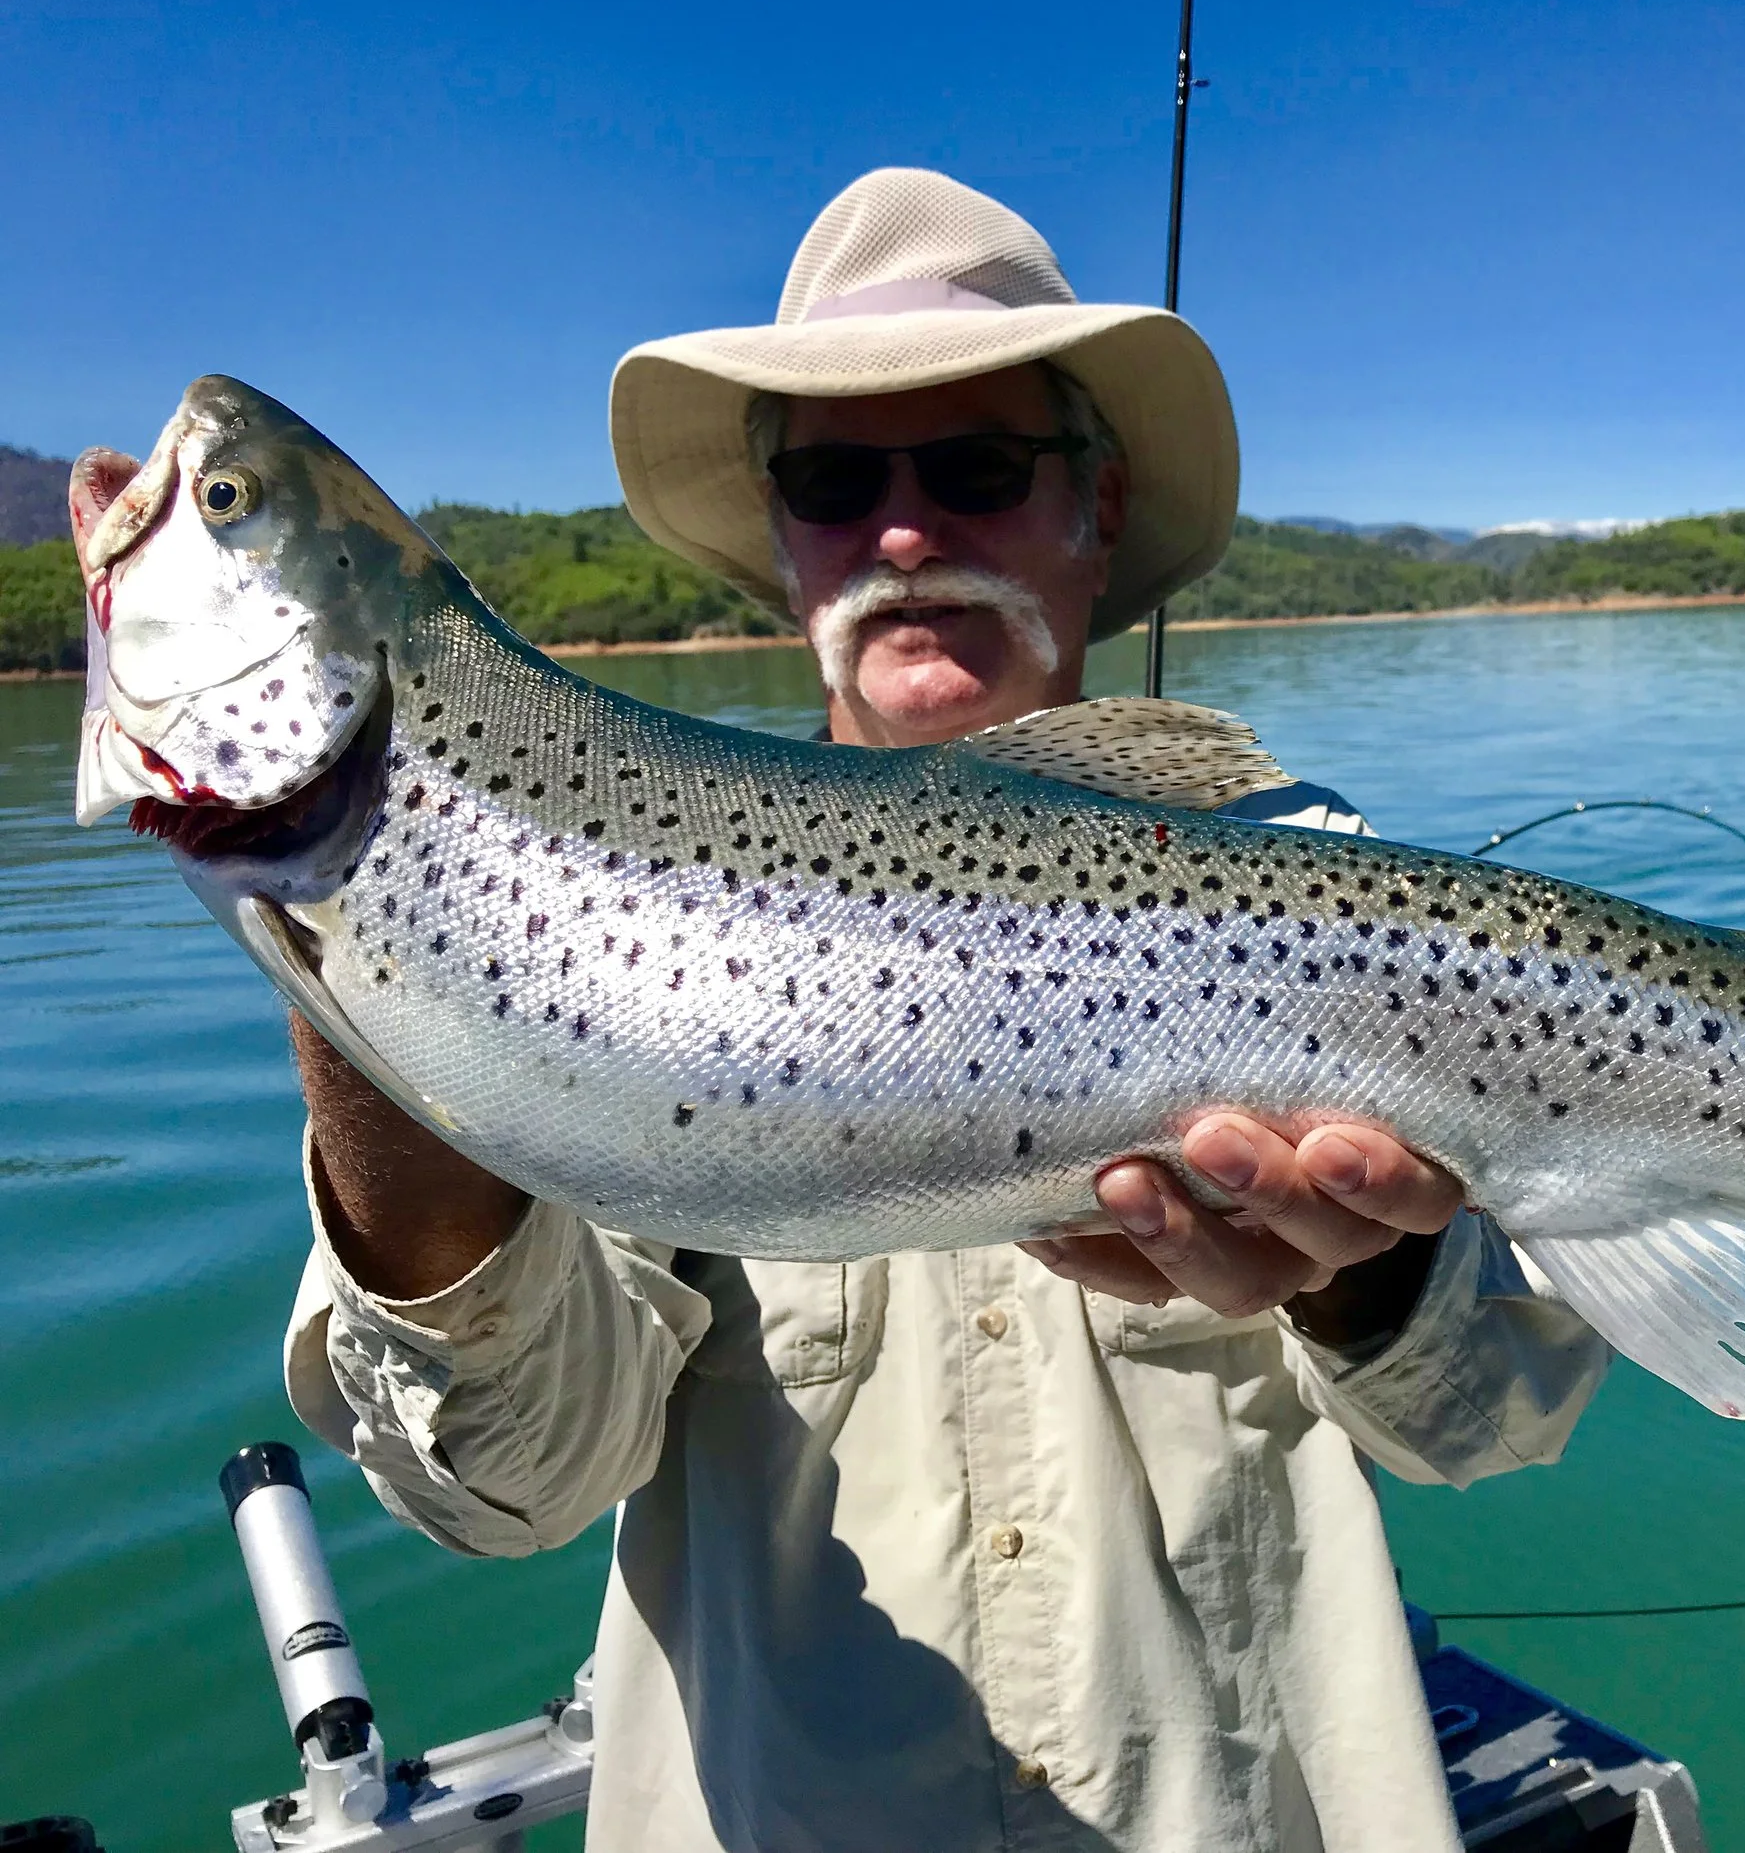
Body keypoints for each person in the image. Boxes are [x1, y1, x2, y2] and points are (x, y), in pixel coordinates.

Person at [277, 168, 1610, 1852]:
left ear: (1098, 509)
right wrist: (367, 964)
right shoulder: (589, 931)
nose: (904, 531)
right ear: (780, 543)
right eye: (838, 478)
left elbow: (1502, 1418)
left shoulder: (1322, 883)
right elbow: (517, 1478)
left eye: (977, 467)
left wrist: (1378, 1274)